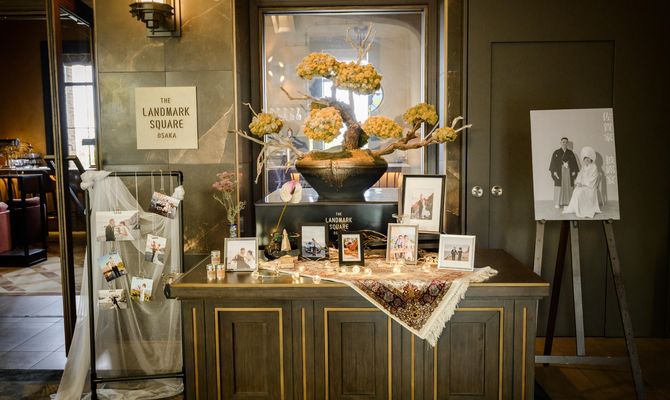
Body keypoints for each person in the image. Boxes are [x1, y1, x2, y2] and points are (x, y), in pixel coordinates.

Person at [563, 146, 602, 218]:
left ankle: (584, 209)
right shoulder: (584, 167)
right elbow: (580, 175)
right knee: (576, 191)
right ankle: (577, 208)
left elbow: (592, 179)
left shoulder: (594, 167)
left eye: (588, 158)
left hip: (590, 187)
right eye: (585, 158)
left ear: (591, 159)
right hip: (583, 185)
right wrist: (578, 182)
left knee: (580, 193)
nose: (586, 160)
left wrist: (583, 183)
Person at [549, 137, 580, 209]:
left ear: (567, 144)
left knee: (568, 186)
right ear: (560, 143)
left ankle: (568, 202)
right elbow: (553, 163)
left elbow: (574, 163)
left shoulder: (570, 153)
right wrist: (554, 171)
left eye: (566, 142)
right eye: (563, 142)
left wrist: (573, 171)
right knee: (559, 187)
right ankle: (557, 203)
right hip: (559, 172)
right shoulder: (556, 152)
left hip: (568, 171)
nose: (564, 143)